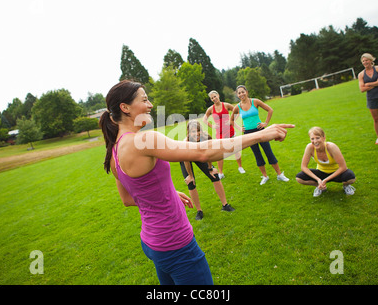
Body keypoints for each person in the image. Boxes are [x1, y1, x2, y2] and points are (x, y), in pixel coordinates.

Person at [99, 80, 294, 285]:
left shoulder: (113, 150)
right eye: (145, 99)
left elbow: (128, 198)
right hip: (175, 245)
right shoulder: (143, 140)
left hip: (152, 243)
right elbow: (203, 152)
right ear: (125, 107)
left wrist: (171, 194)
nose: (150, 105)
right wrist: (261, 134)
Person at [231, 85, 290, 185]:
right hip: (248, 134)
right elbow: (231, 120)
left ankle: (279, 175)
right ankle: (265, 176)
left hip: (261, 131)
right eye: (239, 93)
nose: (241, 94)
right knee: (257, 154)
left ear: (247, 92)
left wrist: (265, 123)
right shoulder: (237, 107)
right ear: (237, 95)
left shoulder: (255, 101)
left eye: (243, 92)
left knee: (268, 152)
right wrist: (239, 128)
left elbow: (270, 110)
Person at [180, 120, 235, 220]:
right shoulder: (186, 143)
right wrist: (190, 176)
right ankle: (199, 211)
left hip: (200, 155)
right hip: (186, 159)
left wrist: (210, 168)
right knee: (191, 183)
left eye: (198, 130)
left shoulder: (206, 138)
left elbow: (210, 154)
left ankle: (225, 205)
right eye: (193, 131)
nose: (196, 133)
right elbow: (186, 161)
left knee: (215, 176)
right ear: (188, 132)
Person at [296, 127, 356, 197]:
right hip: (321, 172)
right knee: (299, 178)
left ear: (324, 138)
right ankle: (319, 187)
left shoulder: (331, 147)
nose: (315, 141)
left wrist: (325, 180)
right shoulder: (310, 147)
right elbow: (303, 167)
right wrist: (318, 180)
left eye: (317, 138)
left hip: (336, 173)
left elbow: (343, 167)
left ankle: (346, 186)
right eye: (312, 139)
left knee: (351, 177)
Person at [203, 90, 245, 179]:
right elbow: (204, 120)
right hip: (219, 134)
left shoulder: (226, 105)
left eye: (215, 96)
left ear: (218, 95)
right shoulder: (210, 109)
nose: (214, 98)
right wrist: (212, 126)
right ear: (211, 99)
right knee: (219, 154)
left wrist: (232, 120)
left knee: (236, 150)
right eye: (212, 98)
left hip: (230, 131)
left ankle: (240, 167)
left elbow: (237, 111)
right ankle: (221, 173)